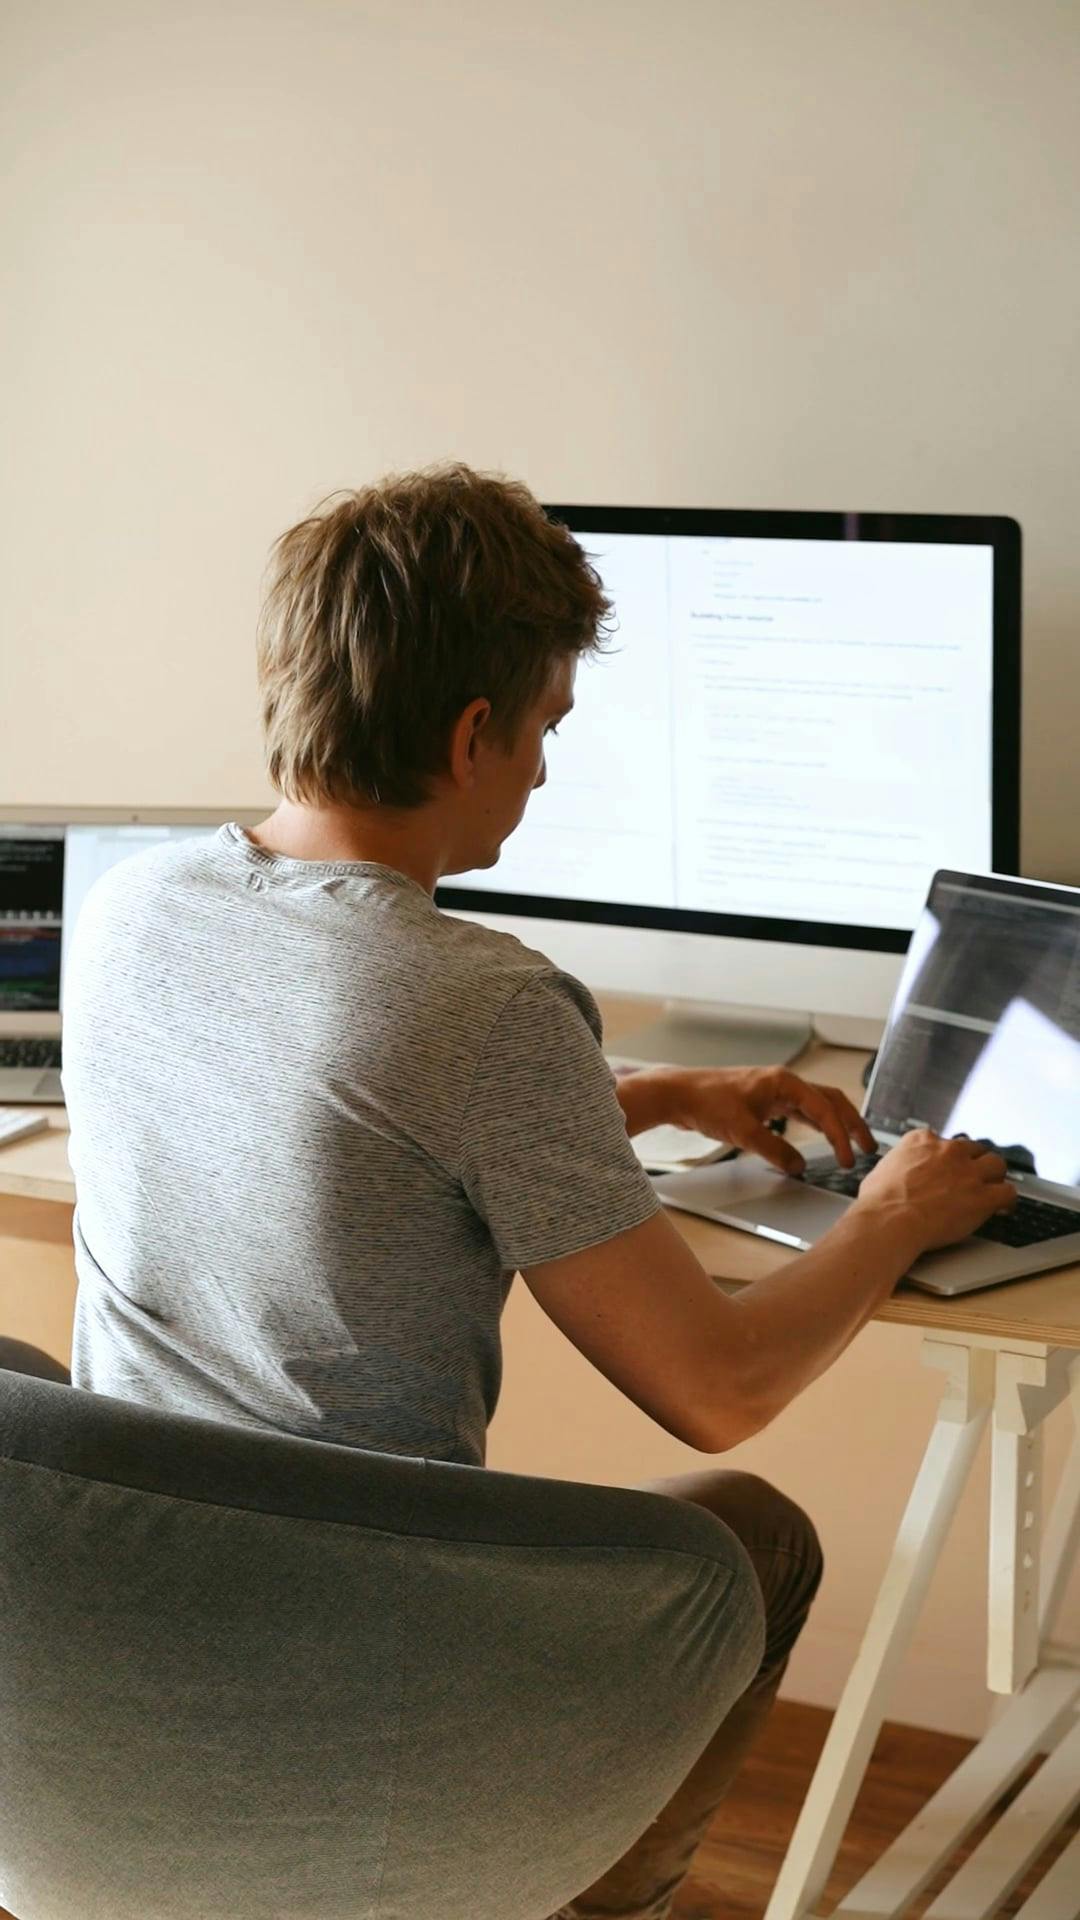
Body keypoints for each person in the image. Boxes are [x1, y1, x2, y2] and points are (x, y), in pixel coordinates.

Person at [61, 462, 1017, 1920]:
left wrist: (642, 1096)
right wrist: (894, 1212)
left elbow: (331, 1129)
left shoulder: (129, 908)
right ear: (472, 733)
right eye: (550, 727)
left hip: (114, 1644)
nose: (551, 773)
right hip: (363, 1656)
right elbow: (719, 1384)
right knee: (753, 1532)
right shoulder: (487, 1005)